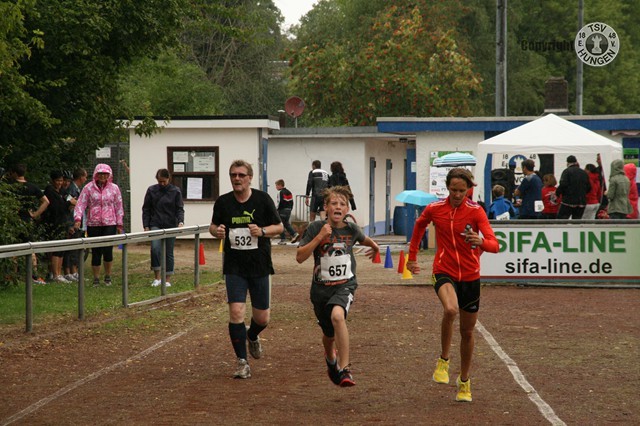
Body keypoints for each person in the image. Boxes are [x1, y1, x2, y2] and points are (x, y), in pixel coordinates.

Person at [405, 168, 499, 402]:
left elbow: (495, 245)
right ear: (447, 187)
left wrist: (481, 241)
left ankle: (464, 381)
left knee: (467, 331)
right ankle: (443, 360)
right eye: (454, 190)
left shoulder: (476, 212)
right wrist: (412, 257)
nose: (457, 194)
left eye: (462, 191)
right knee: (450, 309)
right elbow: (419, 226)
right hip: (444, 270)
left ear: (468, 190)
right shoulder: (435, 209)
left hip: (470, 276)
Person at [296, 185, 379, 387]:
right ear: (326, 207)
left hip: (345, 286)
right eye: (334, 203)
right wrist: (319, 237)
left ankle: (345, 369)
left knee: (337, 317)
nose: (338, 207)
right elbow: (299, 257)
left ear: (347, 209)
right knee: (328, 335)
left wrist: (375, 248)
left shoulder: (351, 229)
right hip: (320, 291)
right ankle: (330, 358)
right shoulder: (315, 228)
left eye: (342, 204)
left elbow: (365, 240)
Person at [209, 160, 283, 379]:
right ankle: (242, 362)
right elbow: (213, 226)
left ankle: (252, 335)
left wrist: (262, 231)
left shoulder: (262, 200)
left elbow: (279, 227)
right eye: (233, 175)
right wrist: (217, 232)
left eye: (241, 175)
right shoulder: (223, 202)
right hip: (234, 267)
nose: (237, 178)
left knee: (262, 318)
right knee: (236, 312)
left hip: (259, 266)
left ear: (250, 178)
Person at [73, 164, 124, 287]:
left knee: (108, 250)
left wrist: (119, 223)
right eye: (100, 174)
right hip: (93, 224)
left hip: (110, 223)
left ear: (109, 175)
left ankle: (108, 276)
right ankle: (96, 278)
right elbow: (80, 204)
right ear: (96, 174)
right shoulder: (88, 188)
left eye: (105, 174)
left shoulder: (114, 188)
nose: (103, 176)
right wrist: (78, 218)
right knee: (96, 251)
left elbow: (118, 205)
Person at [142, 169, 185, 287]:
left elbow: (179, 208)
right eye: (159, 181)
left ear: (168, 179)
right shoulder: (151, 190)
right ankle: (157, 277)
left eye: (164, 182)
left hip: (171, 224)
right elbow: (146, 209)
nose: (162, 184)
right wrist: (146, 225)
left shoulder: (175, 191)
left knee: (168, 252)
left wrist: (181, 221)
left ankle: (167, 279)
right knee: (155, 248)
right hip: (155, 223)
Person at [8, 163, 50, 283]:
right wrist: (35, 214)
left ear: (14, 173)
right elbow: (46, 201)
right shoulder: (32, 187)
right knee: (30, 248)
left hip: (13, 220)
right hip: (27, 220)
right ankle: (34, 275)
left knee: (13, 249)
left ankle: (13, 275)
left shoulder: (10, 187)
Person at [43, 171, 74, 283]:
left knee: (61, 249)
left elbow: (72, 200)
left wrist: (70, 203)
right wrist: (68, 204)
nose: (60, 183)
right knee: (56, 249)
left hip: (63, 222)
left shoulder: (62, 191)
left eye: (61, 180)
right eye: (58, 181)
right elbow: (57, 207)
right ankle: (55, 274)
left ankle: (59, 273)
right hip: (54, 223)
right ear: (52, 181)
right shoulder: (50, 191)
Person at [62, 168, 88, 281]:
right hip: (74, 223)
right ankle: (70, 271)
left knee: (77, 248)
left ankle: (74, 271)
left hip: (79, 223)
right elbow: (69, 201)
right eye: (85, 176)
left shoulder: (77, 189)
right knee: (72, 248)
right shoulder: (72, 188)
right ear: (81, 177)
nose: (86, 179)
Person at [555, 155, 591, 219]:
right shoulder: (583, 172)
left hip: (568, 201)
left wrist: (557, 193)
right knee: (576, 221)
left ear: (567, 163)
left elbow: (563, 184)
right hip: (581, 201)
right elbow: (589, 187)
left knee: (561, 220)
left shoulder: (567, 171)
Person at [275, 179, 299, 244]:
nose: (276, 187)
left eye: (276, 185)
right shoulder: (289, 192)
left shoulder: (280, 192)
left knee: (280, 224)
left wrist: (276, 209)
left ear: (280, 185)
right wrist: (290, 209)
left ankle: (283, 239)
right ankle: (294, 234)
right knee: (286, 223)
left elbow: (280, 202)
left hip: (282, 210)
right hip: (288, 210)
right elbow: (292, 202)